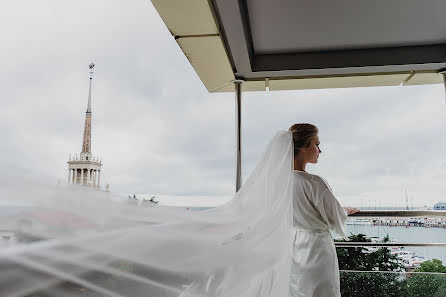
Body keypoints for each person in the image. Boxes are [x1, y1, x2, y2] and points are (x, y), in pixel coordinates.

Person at [289, 123, 359, 297]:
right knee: (320, 290)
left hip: (292, 245)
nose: (320, 150)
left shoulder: (278, 181)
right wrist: (345, 209)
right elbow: (334, 218)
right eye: (317, 144)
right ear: (303, 147)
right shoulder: (314, 182)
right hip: (316, 248)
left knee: (297, 290)